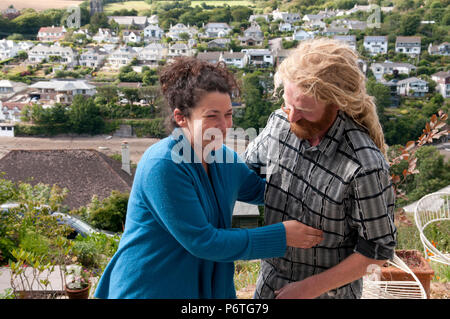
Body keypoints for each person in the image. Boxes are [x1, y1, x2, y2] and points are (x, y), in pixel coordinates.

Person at [94, 57, 323, 299]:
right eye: (212, 116)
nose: (224, 126)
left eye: (228, 114)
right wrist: (282, 235)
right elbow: (204, 242)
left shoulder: (223, 158)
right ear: (181, 117)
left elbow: (265, 191)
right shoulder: (163, 165)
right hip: (149, 288)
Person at [243, 38, 397, 299]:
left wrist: (308, 289)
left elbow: (378, 251)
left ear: (337, 103)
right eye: (287, 103)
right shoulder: (280, 125)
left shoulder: (364, 167)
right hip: (268, 286)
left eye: (303, 110)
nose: (291, 117)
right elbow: (244, 180)